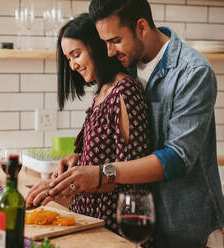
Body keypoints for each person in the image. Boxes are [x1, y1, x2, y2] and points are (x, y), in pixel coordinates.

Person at [41, 0, 224, 247]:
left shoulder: (192, 71)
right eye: (104, 42)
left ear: (141, 27)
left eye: (115, 40)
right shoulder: (128, 64)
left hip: (186, 224)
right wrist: (85, 158)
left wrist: (100, 172)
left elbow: (178, 157)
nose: (108, 52)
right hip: (143, 221)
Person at [25, 13, 151, 238]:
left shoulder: (125, 92)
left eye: (76, 54)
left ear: (96, 47)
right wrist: (80, 160)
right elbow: (105, 157)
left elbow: (130, 173)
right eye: (68, 58)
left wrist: (64, 187)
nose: (72, 65)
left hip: (111, 227)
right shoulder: (103, 92)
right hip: (86, 220)